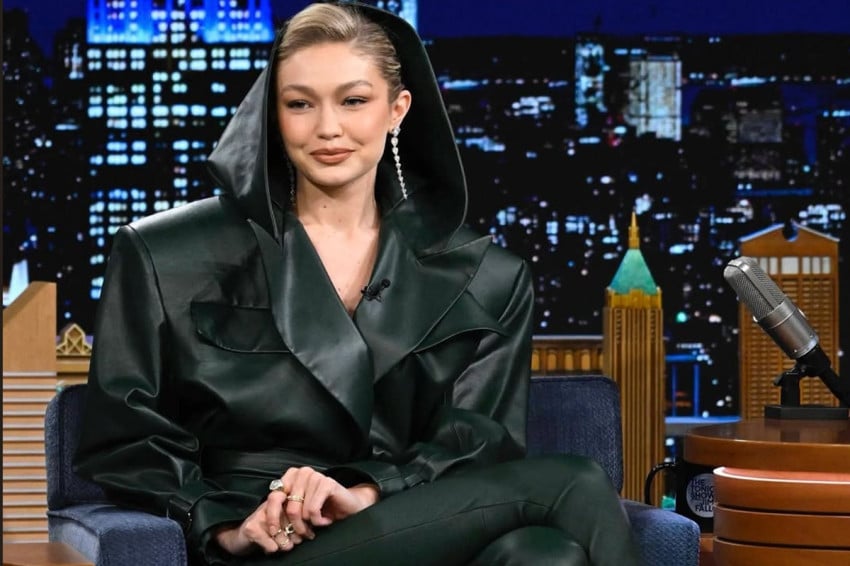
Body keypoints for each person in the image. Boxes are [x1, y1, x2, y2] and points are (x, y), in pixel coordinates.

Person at [74, 2, 640, 565]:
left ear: (398, 109)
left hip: (409, 525)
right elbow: (124, 439)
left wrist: (367, 488)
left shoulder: (491, 278)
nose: (328, 128)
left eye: (353, 101)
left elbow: (477, 444)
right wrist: (222, 525)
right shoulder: (162, 252)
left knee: (546, 555)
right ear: (272, 115)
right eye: (300, 104)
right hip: (261, 540)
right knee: (574, 482)